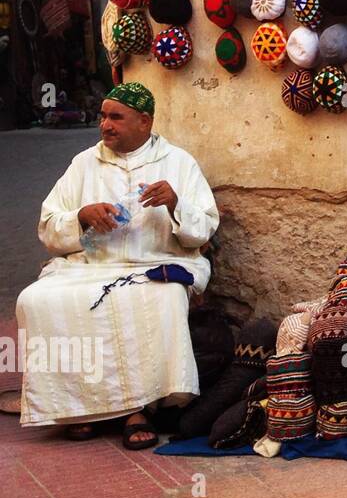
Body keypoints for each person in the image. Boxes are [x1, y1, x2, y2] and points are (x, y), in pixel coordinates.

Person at [15, 81, 220, 448]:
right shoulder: (83, 163)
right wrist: (81, 215)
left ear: (144, 121)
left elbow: (204, 229)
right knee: (37, 300)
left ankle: (138, 409)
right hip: (89, 266)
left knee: (163, 298)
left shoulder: (178, 162)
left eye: (115, 117)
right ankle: (80, 408)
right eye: (103, 116)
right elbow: (48, 227)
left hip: (156, 262)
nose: (104, 125)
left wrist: (175, 204)